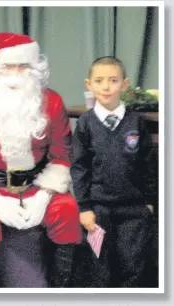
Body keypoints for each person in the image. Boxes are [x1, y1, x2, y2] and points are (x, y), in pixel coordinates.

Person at [0, 32, 82, 288]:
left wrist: (44, 195)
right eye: (6, 67)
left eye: (23, 67)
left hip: (38, 185)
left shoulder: (51, 102)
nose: (15, 74)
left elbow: (62, 154)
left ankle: (61, 289)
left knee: (66, 210)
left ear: (35, 69)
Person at [70, 56, 158, 287]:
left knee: (134, 266)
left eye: (113, 80)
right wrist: (84, 207)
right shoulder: (85, 123)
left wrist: (149, 202)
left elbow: (148, 164)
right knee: (100, 269)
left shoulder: (136, 123)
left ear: (125, 84)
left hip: (133, 210)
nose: (106, 86)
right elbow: (79, 168)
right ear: (89, 85)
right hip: (98, 211)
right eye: (99, 81)